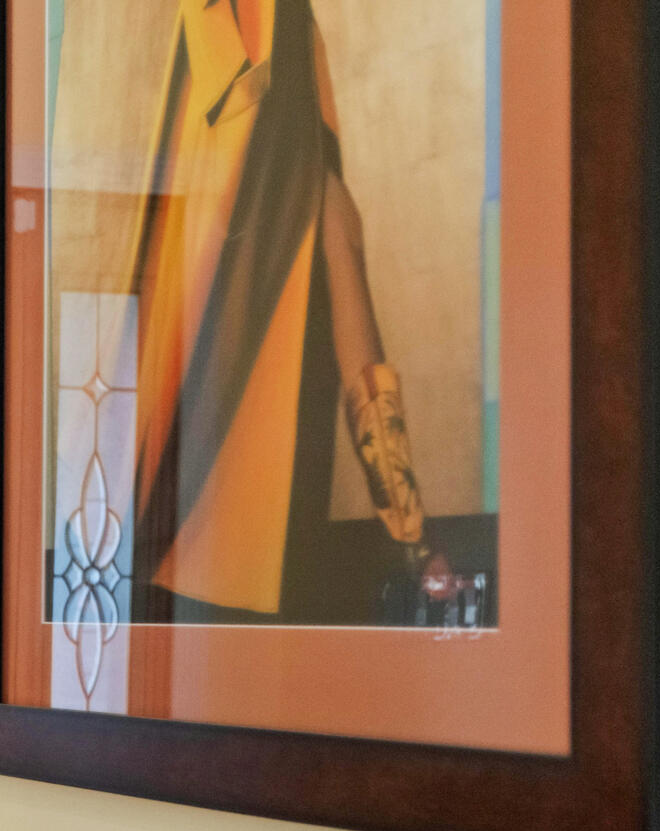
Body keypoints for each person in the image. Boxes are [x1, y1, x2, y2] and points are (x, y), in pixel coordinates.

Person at [129, 0, 434, 623]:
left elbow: (355, 331)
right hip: (204, 570)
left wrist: (413, 536)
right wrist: (413, 536)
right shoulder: (224, 66)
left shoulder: (291, 150)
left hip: (209, 569)